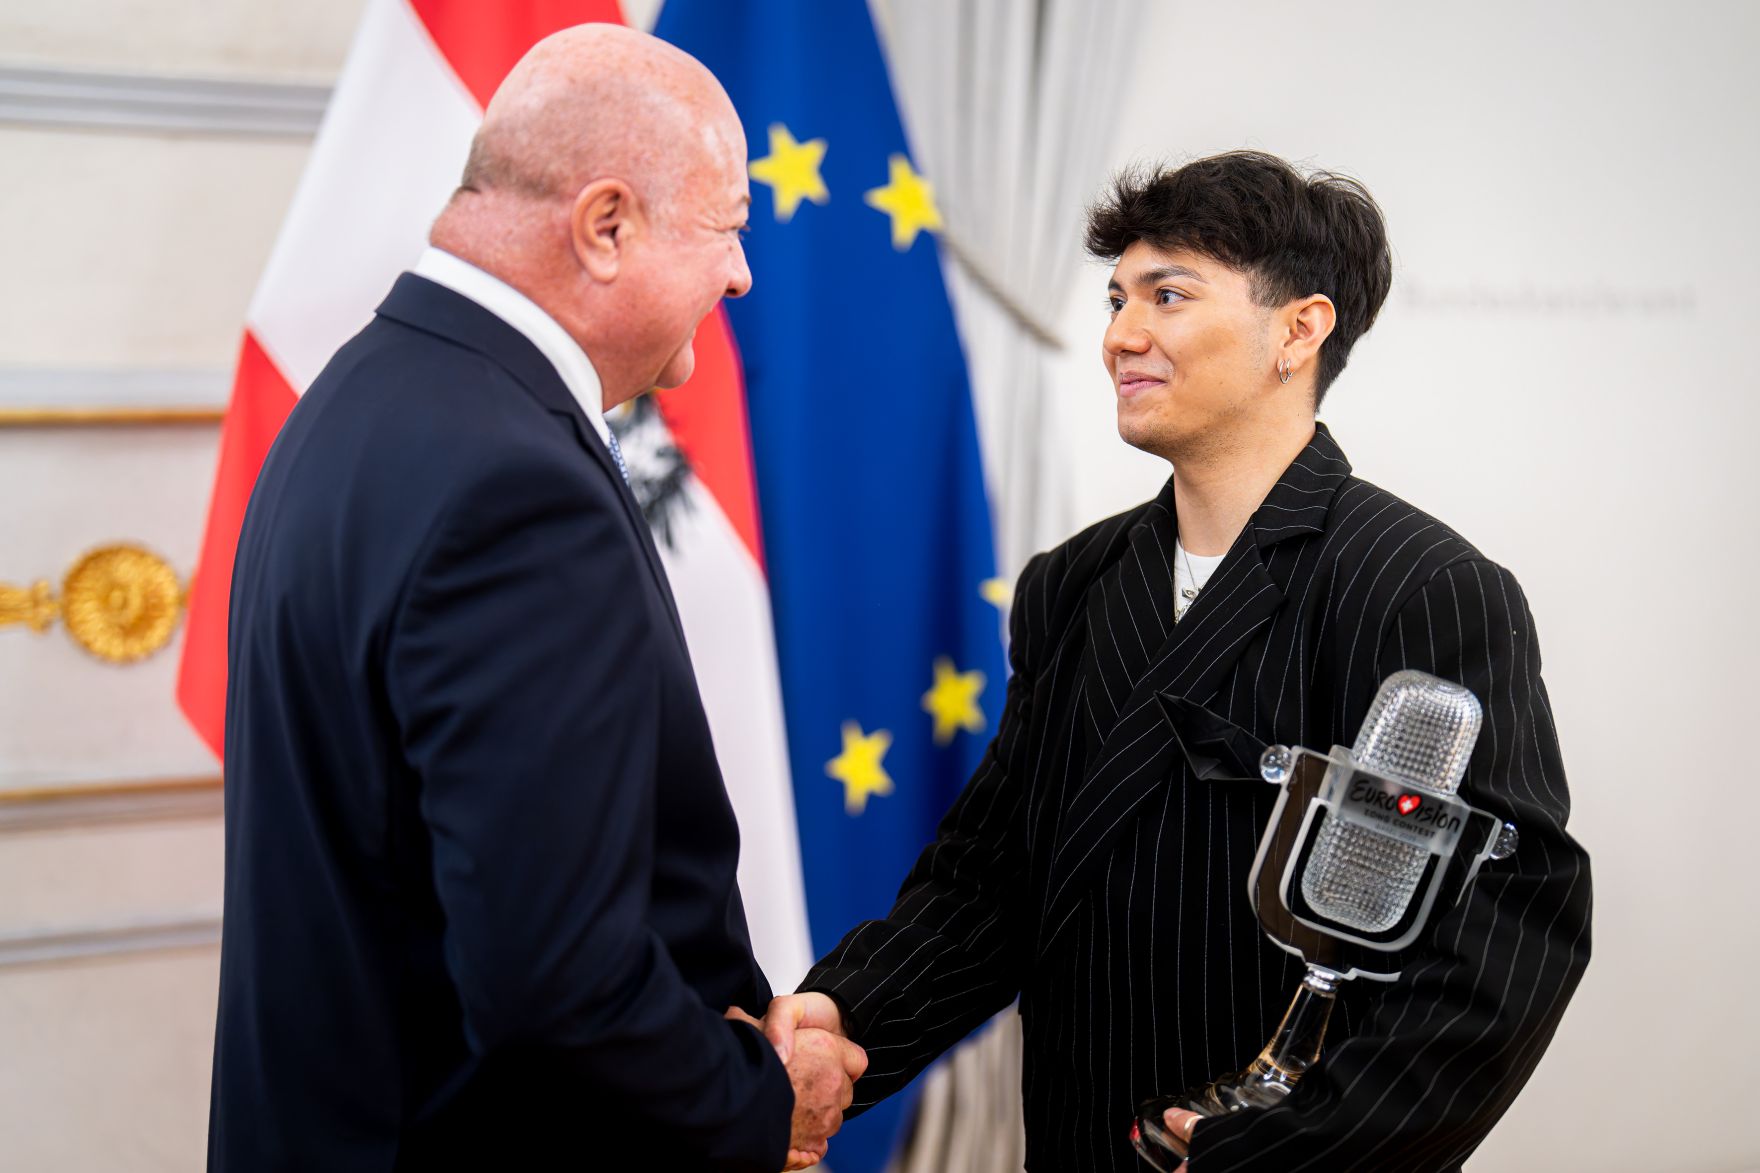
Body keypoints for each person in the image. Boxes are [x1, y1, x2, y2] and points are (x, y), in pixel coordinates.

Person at [759, 151, 1592, 1170]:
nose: (1120, 334)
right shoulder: (1071, 584)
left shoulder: (1417, 585)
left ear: (1299, 330)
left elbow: (1506, 933)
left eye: (1168, 295)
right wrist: (844, 1025)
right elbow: (993, 878)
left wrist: (1295, 1149)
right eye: (1117, 298)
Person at [208, 25, 862, 1173]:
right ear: (606, 225)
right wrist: (759, 1104)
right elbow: (553, 980)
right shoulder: (513, 484)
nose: (740, 275)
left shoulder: (362, 398)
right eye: (726, 227)